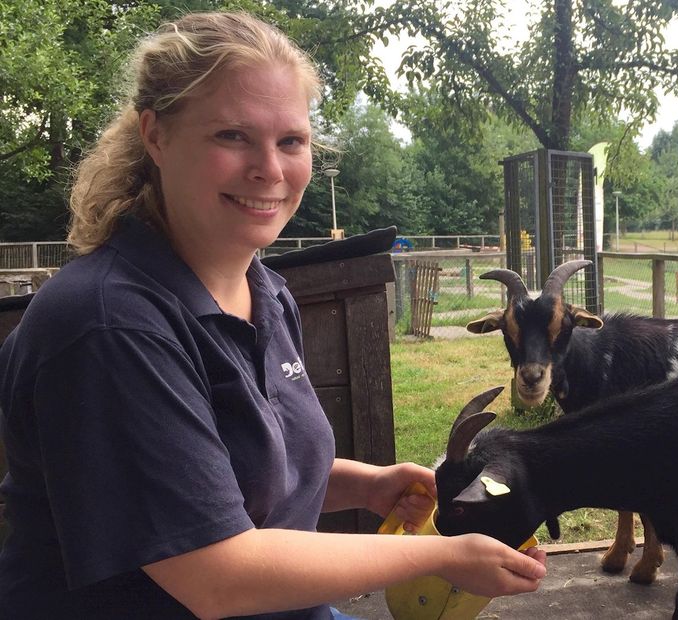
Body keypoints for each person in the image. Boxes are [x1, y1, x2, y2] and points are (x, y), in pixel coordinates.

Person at [0, 12, 545, 619]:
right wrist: (438, 556)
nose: (271, 169)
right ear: (156, 136)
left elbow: (236, 472)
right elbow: (216, 575)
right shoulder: (109, 326)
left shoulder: (265, 291)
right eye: (232, 136)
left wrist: (364, 484)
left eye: (291, 141)